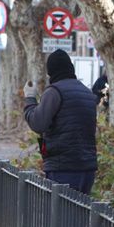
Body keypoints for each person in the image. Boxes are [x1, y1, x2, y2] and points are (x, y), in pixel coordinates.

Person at [24, 50, 99, 194]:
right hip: (87, 166)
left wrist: (30, 98)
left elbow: (38, 124)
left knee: (61, 213)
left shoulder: (54, 92)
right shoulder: (87, 93)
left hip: (63, 166)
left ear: (51, 72)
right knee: (80, 212)